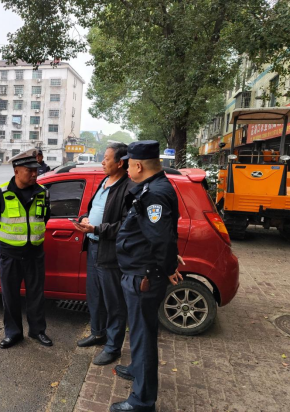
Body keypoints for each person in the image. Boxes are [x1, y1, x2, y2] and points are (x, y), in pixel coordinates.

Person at [110, 140, 183, 412]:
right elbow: (160, 233)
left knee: (143, 336)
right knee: (140, 331)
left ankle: (142, 401)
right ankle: (137, 369)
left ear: (139, 166)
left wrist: (168, 267)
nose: (127, 170)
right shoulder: (153, 187)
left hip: (144, 276)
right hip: (140, 272)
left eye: (129, 165)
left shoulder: (154, 194)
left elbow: (161, 239)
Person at [72, 143, 135, 365]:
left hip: (110, 251)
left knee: (114, 301)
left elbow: (127, 225)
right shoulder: (104, 181)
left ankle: (113, 347)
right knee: (95, 295)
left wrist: (97, 229)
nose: (102, 161)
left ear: (120, 163)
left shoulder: (129, 188)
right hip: (93, 247)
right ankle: (97, 333)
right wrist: (85, 219)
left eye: (107, 158)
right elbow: (96, 209)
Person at [0, 148, 52, 349]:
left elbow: (45, 218)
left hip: (35, 253)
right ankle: (13, 333)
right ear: (16, 170)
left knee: (36, 295)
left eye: (36, 170)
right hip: (10, 254)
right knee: (10, 296)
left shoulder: (43, 192)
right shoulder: (2, 192)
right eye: (30, 170)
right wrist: (8, 241)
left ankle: (37, 331)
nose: (34, 174)